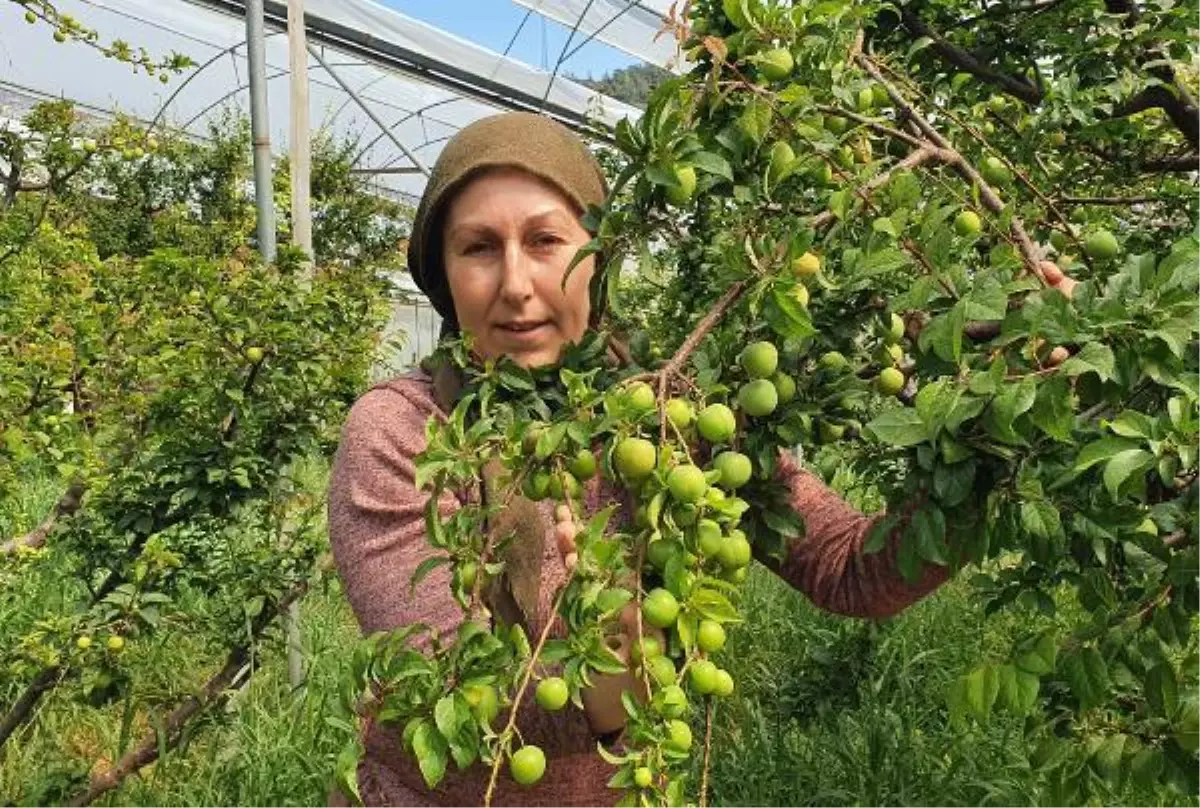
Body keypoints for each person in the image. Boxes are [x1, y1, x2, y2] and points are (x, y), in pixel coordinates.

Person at [326, 112, 1075, 806]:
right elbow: (448, 688)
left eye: (546, 241)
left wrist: (994, 433)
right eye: (479, 247)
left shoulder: (671, 415)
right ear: (443, 274)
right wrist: (610, 683)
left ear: (598, 258)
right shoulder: (403, 432)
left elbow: (852, 571)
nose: (517, 284)